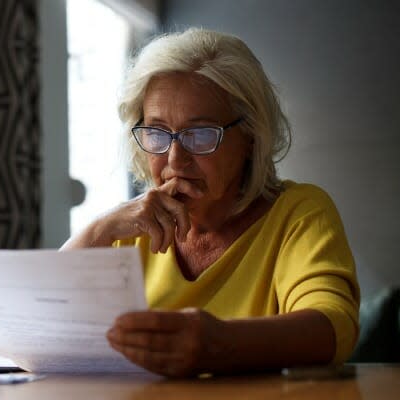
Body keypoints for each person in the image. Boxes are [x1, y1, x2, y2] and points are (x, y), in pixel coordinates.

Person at [61, 28, 359, 378]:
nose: (175, 159)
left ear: (250, 136)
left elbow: (332, 329)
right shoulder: (131, 228)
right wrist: (99, 228)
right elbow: (37, 323)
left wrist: (218, 343)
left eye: (200, 133)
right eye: (156, 132)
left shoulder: (298, 212)